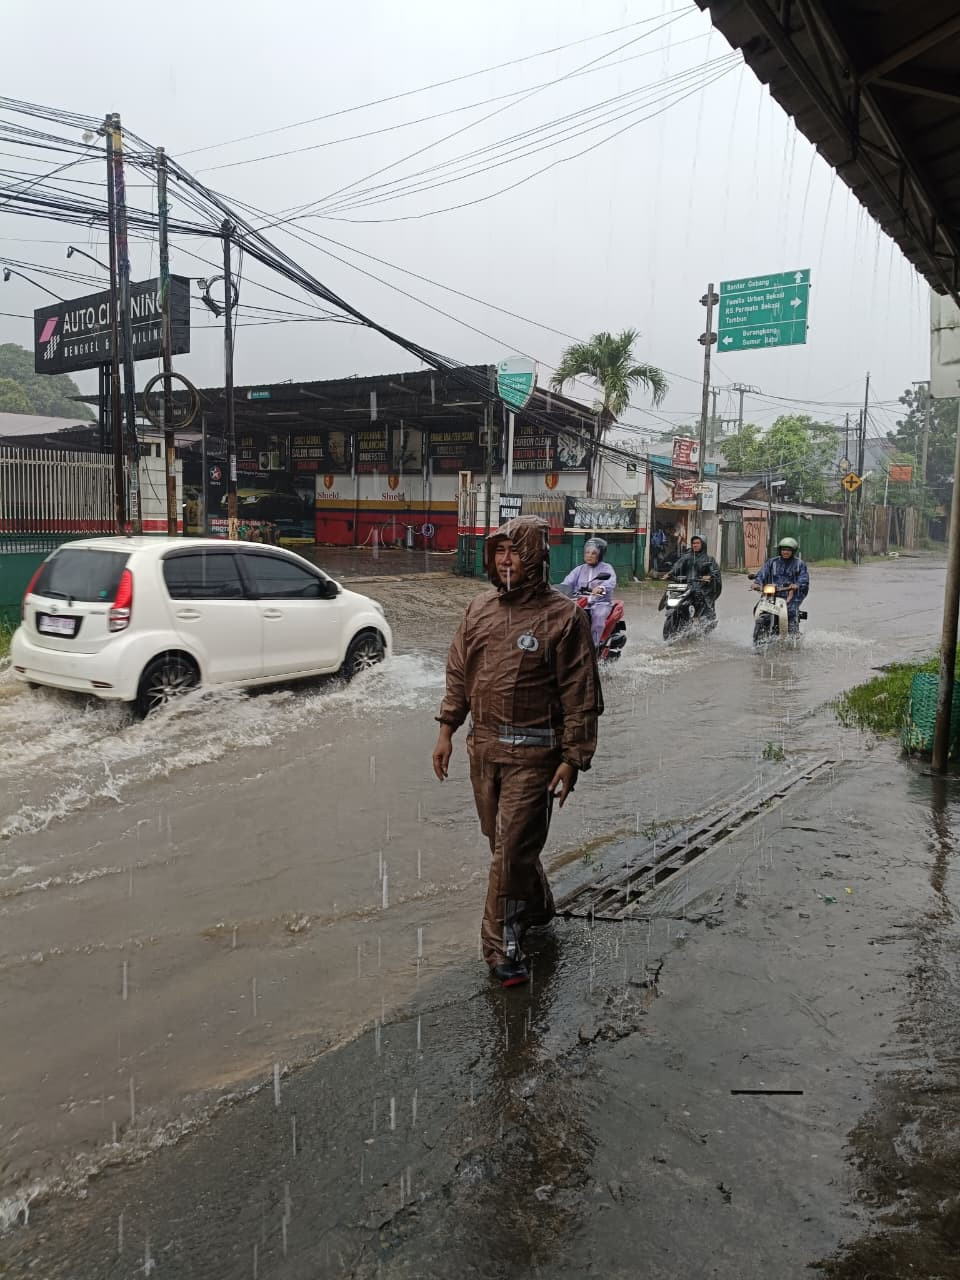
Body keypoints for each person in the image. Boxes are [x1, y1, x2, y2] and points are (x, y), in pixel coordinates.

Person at [432, 515, 603, 988]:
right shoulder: (478, 609)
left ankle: (500, 946)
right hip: (483, 750)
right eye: (499, 551)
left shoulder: (563, 617)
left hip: (536, 755)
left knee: (509, 850)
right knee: (503, 843)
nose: (506, 559)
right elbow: (458, 673)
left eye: (515, 550)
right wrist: (447, 728)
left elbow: (580, 693)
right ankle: (540, 907)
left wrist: (573, 757)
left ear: (535, 557)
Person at [561, 537, 617, 647]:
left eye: (593, 553)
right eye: (587, 552)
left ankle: (593, 646)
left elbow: (611, 581)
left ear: (600, 555)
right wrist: (559, 590)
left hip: (600, 603)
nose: (589, 555)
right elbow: (567, 582)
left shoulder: (606, 568)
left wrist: (601, 588)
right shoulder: (579, 569)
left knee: (598, 616)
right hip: (580, 602)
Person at [752, 536, 809, 632]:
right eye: (783, 550)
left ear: (793, 551)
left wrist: (797, 585)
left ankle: (793, 635)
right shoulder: (772, 562)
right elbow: (762, 573)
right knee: (758, 607)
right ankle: (760, 632)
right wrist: (757, 583)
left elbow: (804, 578)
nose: (785, 552)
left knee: (790, 612)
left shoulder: (799, 564)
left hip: (791, 594)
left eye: (788, 550)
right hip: (772, 593)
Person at [665, 532, 722, 619]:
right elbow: (677, 566)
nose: (695, 545)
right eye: (693, 543)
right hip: (686, 585)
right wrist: (670, 573)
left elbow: (715, 571)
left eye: (697, 543)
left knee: (704, 603)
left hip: (701, 587)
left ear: (703, 544)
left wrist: (710, 576)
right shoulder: (686, 557)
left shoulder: (709, 559)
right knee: (671, 593)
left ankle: (705, 618)